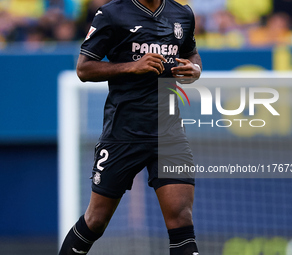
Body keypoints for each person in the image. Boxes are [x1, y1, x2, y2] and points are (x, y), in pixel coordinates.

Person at [59, 0, 202, 254]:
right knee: (96, 220)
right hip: (123, 133)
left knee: (181, 220)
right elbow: (83, 68)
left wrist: (195, 70)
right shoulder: (112, 13)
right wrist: (132, 66)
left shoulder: (182, 14)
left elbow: (190, 53)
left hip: (169, 134)